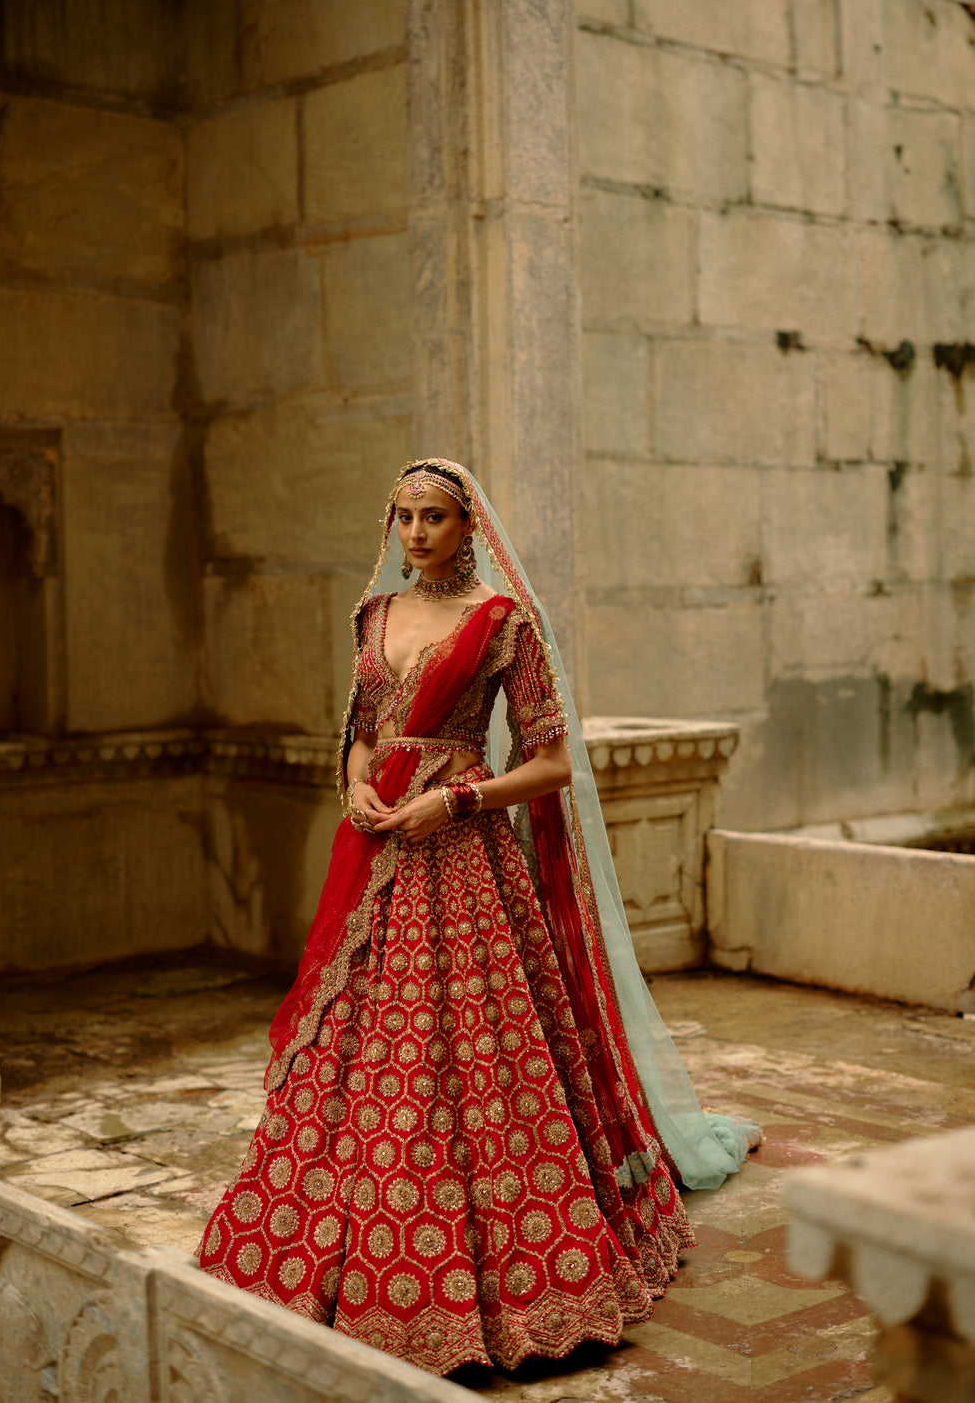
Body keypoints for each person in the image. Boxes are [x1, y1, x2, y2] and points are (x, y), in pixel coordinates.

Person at [197, 458, 760, 1376]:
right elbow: (365, 730)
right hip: (380, 847)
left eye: (434, 518)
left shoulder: (501, 624)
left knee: (469, 1049)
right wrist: (355, 785)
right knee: (358, 1039)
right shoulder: (372, 617)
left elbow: (551, 765)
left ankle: (508, 1264)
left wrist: (455, 800)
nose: (415, 535)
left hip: (463, 857)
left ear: (468, 529)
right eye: (404, 519)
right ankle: (339, 1241)